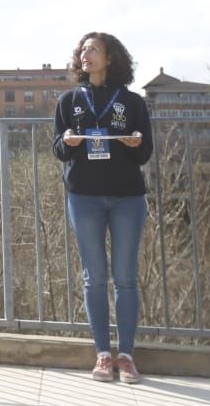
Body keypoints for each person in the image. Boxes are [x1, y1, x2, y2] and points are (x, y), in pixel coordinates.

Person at [52, 31, 154, 383]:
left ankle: (126, 355)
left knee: (125, 278)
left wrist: (133, 142)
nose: (85, 54)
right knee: (94, 278)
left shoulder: (133, 102)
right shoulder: (69, 100)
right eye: (82, 49)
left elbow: (145, 151)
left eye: (93, 49)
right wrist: (67, 141)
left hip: (127, 197)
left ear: (110, 58)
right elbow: (59, 149)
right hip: (84, 197)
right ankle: (102, 354)